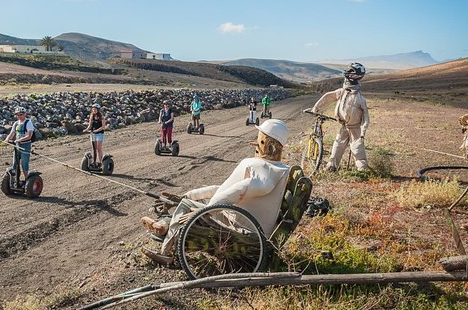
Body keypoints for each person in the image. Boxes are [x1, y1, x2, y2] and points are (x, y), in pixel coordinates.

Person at [140, 119, 291, 265]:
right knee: (193, 202)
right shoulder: (278, 169)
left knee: (188, 205)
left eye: (260, 138)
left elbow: (236, 191)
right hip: (249, 223)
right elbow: (226, 190)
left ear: (267, 142)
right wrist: (192, 195)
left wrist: (205, 211)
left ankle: (166, 251)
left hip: (245, 229)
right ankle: (166, 226)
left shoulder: (263, 170)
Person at [310, 62, 370, 172]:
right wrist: (316, 107)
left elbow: (366, 117)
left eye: (351, 71)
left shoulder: (360, 98)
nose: (348, 73)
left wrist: (362, 132)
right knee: (337, 146)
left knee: (357, 149)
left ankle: (363, 170)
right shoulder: (342, 92)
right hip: (344, 127)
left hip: (355, 128)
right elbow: (328, 97)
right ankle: (331, 166)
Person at [5, 107, 34, 187]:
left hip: (25, 145)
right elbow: (12, 133)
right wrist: (7, 139)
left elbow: (29, 135)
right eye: (17, 115)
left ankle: (27, 181)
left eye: (21, 114)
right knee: (15, 164)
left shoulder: (28, 122)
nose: (19, 116)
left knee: (24, 164)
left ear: (25, 114)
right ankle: (14, 181)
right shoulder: (16, 123)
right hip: (17, 146)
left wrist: (19, 140)